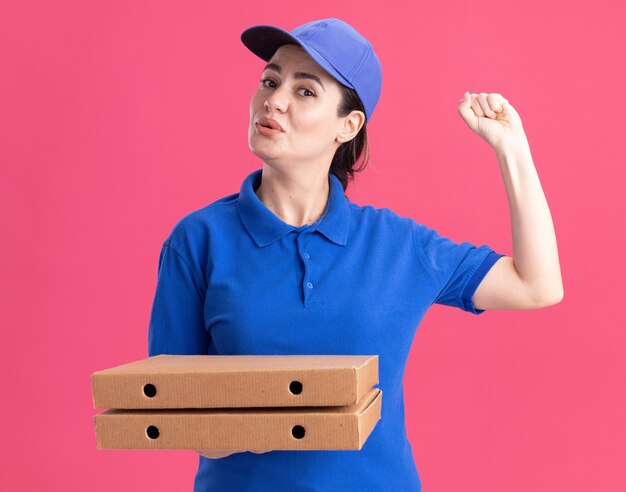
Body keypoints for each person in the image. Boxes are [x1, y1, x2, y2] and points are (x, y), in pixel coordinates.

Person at [147, 17, 563, 492]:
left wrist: (512, 150)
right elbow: (170, 409)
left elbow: (538, 286)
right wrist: (274, 421)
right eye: (270, 79)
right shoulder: (198, 241)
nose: (274, 99)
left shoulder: (398, 245)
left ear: (348, 125)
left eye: (305, 92)